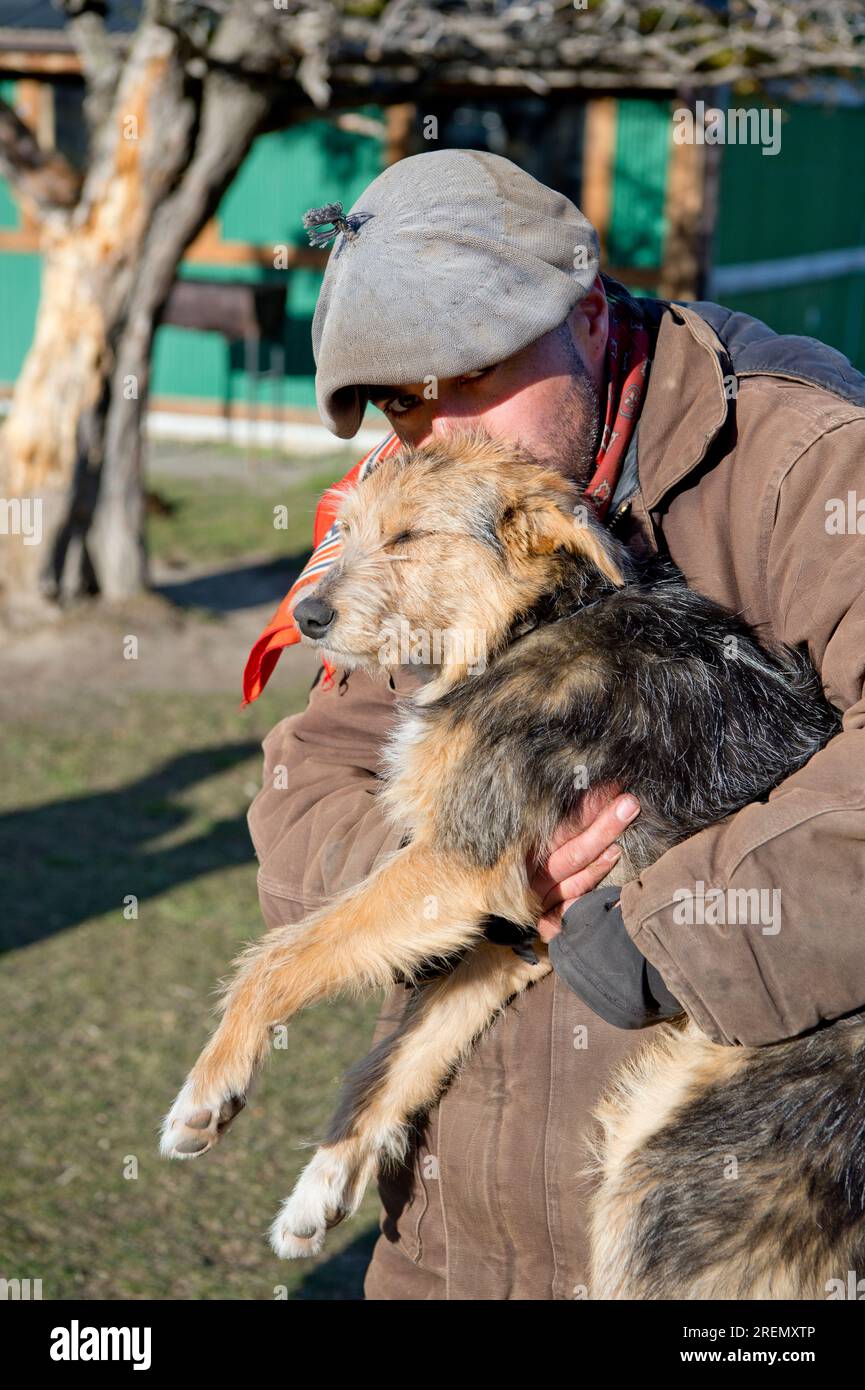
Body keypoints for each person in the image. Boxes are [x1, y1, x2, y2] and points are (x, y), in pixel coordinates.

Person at [244, 149, 865, 1300]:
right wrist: (449, 875)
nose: (438, 428)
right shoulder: (417, 495)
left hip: (723, 1229)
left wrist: (666, 932)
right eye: (400, 401)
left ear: (584, 314)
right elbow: (305, 782)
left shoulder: (806, 460)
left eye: (469, 372)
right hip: (442, 1245)